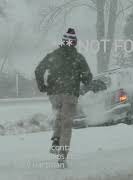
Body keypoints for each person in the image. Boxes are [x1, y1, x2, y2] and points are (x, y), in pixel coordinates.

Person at [35, 28, 92, 168]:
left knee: (59, 117)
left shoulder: (53, 55)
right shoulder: (78, 58)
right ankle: (62, 156)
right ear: (74, 42)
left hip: (54, 94)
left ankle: (56, 140)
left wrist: (42, 86)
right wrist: (87, 80)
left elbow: (38, 70)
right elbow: (86, 77)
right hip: (70, 94)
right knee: (66, 124)